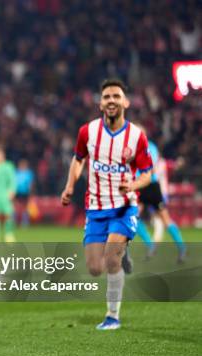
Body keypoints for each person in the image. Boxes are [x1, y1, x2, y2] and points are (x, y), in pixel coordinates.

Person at [61, 79, 153, 330]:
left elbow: (147, 173)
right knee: (94, 268)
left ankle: (113, 316)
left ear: (126, 102)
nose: (111, 100)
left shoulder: (136, 136)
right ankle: (122, 253)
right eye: (106, 97)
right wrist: (70, 186)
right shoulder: (87, 132)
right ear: (100, 104)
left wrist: (133, 186)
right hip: (96, 208)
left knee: (111, 257)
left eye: (116, 96)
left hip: (124, 207)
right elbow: (78, 160)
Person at [135, 138, 186, 262]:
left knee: (164, 218)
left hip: (151, 186)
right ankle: (150, 244)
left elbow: (151, 167)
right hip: (140, 186)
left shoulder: (149, 147)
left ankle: (181, 247)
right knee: (133, 218)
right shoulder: (133, 147)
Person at [14, 158, 34, 226]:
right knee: (15, 207)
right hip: (17, 192)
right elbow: (13, 183)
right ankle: (14, 221)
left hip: (25, 192)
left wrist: (30, 193)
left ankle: (25, 222)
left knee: (25, 208)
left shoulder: (29, 173)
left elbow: (30, 184)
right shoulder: (16, 172)